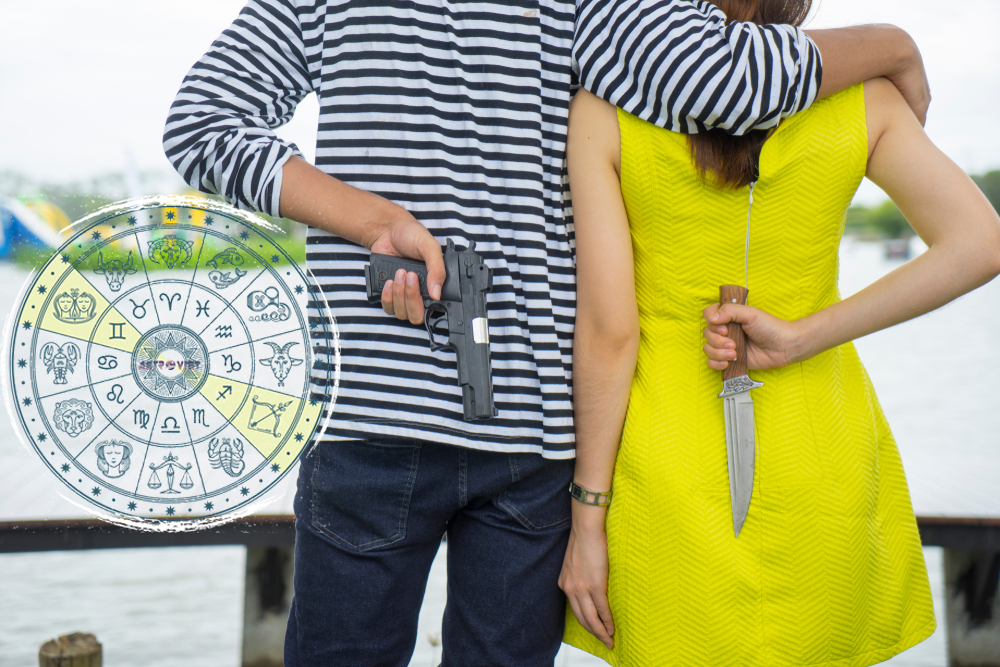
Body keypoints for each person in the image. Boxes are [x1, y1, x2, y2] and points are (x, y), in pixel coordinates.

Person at [164, 0, 932, 663]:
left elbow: (202, 125)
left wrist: (375, 221)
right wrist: (894, 45)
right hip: (531, 426)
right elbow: (725, 85)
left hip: (376, 413)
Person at [558, 0, 1000, 665]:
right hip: (822, 457)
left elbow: (609, 335)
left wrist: (587, 518)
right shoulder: (866, 98)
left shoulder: (602, 112)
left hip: (661, 469)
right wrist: (802, 335)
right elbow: (980, 243)